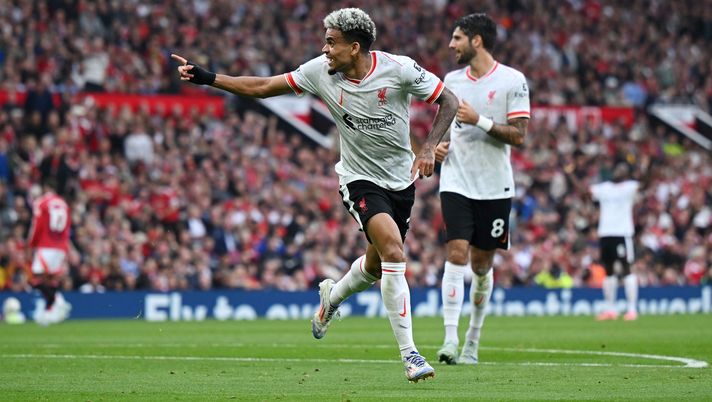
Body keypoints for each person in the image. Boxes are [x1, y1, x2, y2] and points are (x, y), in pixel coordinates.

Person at [172, 7, 458, 382]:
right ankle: (411, 355)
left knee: (375, 267)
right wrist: (208, 77)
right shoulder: (318, 72)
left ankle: (332, 299)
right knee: (393, 250)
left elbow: (448, 100)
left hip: (401, 182)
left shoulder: (400, 69)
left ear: (354, 48)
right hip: (358, 179)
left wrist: (427, 147)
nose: (324, 49)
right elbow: (262, 87)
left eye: (331, 42)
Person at [434, 13, 530, 365]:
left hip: (494, 186)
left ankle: (473, 338)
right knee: (456, 254)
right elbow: (445, 127)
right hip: (456, 181)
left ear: (476, 41)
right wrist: (439, 145)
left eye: (457, 38)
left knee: (480, 264)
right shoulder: (451, 80)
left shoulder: (512, 80)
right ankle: (449, 340)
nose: (451, 44)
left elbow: (518, 135)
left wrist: (480, 120)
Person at [568, 162, 640, 321]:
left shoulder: (630, 187)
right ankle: (610, 309)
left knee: (626, 268)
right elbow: (584, 192)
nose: (617, 170)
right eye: (616, 168)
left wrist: (650, 167)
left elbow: (645, 185)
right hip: (606, 233)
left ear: (627, 174)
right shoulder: (604, 188)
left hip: (622, 233)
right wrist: (570, 174)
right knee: (608, 271)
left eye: (621, 168)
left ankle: (632, 309)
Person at [27, 178, 73, 325]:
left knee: (36, 277)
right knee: (50, 279)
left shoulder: (42, 202)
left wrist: (31, 244)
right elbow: (67, 228)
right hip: (60, 246)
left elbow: (37, 225)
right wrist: (65, 247)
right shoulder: (64, 204)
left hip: (46, 244)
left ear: (45, 188)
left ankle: (57, 302)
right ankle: (51, 309)